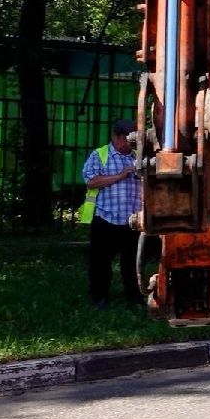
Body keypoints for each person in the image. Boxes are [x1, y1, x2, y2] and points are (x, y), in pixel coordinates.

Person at [80, 118, 142, 307]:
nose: (130, 144)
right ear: (116, 136)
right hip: (106, 218)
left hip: (131, 220)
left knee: (131, 262)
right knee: (100, 262)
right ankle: (100, 297)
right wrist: (121, 175)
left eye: (134, 141)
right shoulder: (100, 155)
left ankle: (134, 295)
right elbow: (91, 181)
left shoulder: (137, 157)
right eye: (127, 140)